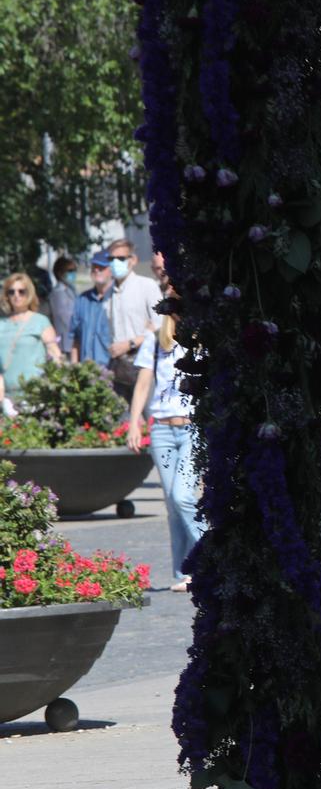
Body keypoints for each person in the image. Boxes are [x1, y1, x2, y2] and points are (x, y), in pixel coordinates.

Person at [125, 280, 204, 592]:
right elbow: (144, 382)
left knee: (184, 496)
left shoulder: (203, 341)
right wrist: (134, 423)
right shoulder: (157, 341)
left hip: (192, 426)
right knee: (172, 503)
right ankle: (186, 572)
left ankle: (211, 557)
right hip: (161, 427)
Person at [104, 238, 161, 400]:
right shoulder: (109, 294)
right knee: (124, 422)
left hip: (145, 366)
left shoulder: (147, 285)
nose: (115, 263)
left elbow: (160, 327)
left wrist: (130, 344)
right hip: (119, 367)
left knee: (150, 420)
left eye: (120, 259)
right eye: (111, 259)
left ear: (133, 260)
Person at [0, 272, 62, 397]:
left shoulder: (41, 321)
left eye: (21, 291)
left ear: (29, 293)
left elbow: (55, 356)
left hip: (34, 395)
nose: (16, 295)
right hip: (6, 396)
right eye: (11, 292)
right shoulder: (2, 324)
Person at [67, 251, 114, 367]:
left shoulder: (118, 298)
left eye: (101, 267)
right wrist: (74, 367)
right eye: (94, 267)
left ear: (111, 270)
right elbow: (75, 338)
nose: (97, 270)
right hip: (86, 373)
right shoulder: (82, 300)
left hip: (112, 373)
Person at [46, 257, 77, 349]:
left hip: (72, 340)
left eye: (75, 270)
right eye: (70, 270)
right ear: (60, 273)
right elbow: (65, 318)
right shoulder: (58, 293)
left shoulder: (71, 289)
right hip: (65, 342)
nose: (73, 273)